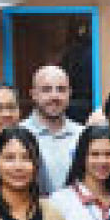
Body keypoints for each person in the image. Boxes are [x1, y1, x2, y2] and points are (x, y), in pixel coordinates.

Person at [22, 65, 84, 195]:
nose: (54, 96)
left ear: (69, 94)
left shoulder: (83, 135)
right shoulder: (19, 135)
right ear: (33, 94)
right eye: (46, 90)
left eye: (61, 89)